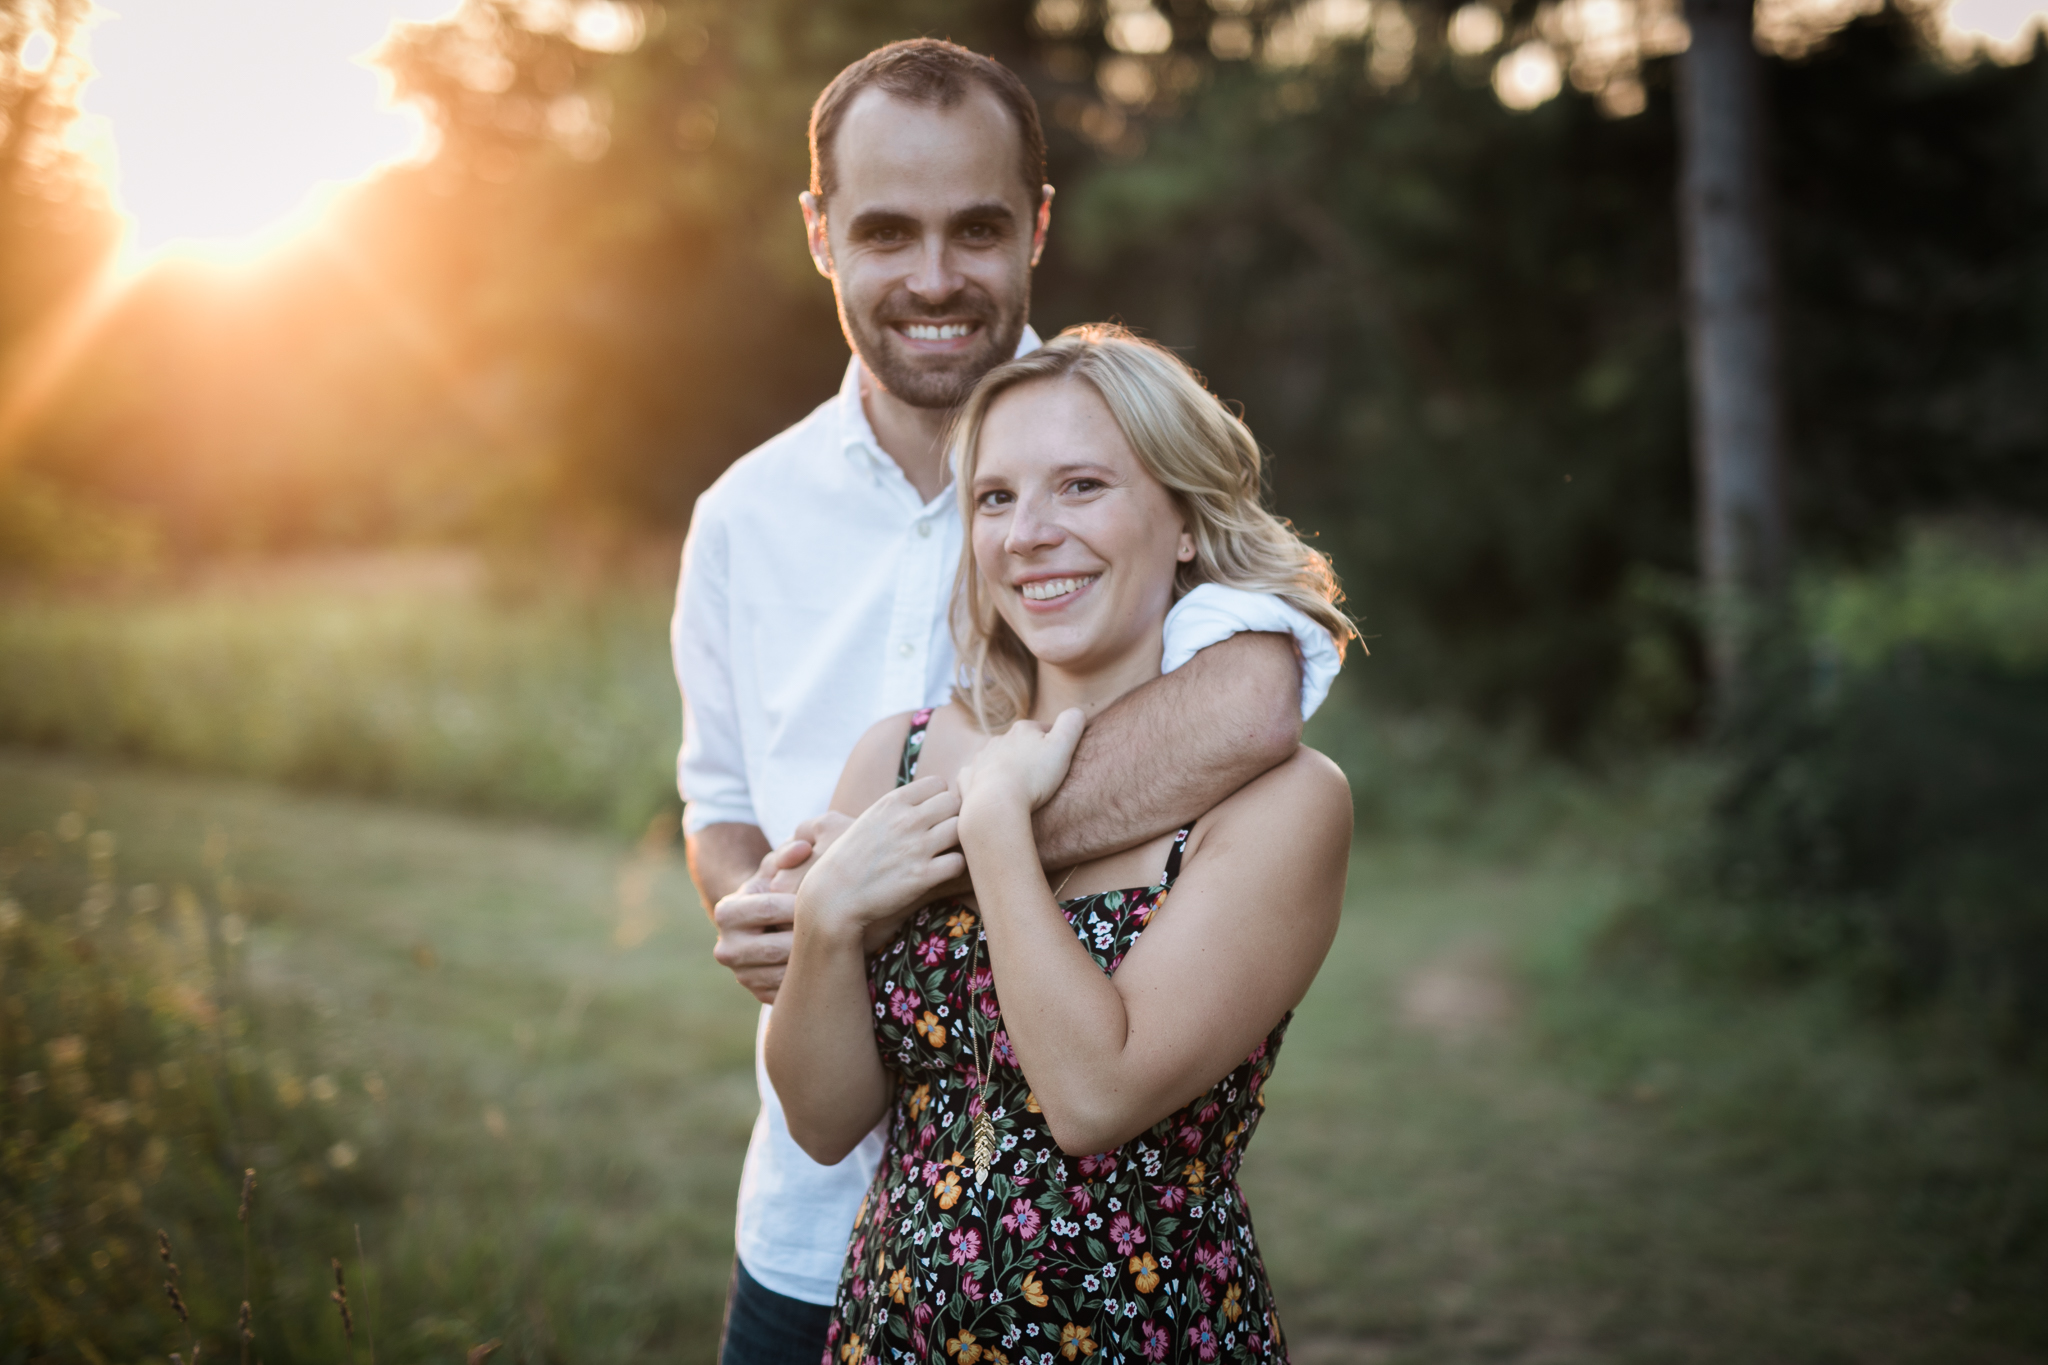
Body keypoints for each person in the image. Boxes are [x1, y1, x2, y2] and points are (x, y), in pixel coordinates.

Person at [672, 41, 1342, 1365]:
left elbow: (1256, 704)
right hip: (819, 1250)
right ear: (820, 236)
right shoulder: (743, 515)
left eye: (975, 227)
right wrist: (792, 915)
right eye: (884, 231)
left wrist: (927, 852)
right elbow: (722, 804)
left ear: (1036, 225)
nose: (932, 278)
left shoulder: (1133, 454)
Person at [766, 325, 1354, 1364]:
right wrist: (827, 915)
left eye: (1079, 486)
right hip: (891, 1333)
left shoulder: (1282, 805)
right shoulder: (895, 762)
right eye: (995, 498)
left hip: (1142, 1334)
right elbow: (822, 1125)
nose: (1027, 533)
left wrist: (996, 827)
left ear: (1182, 520)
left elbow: (1092, 1097)